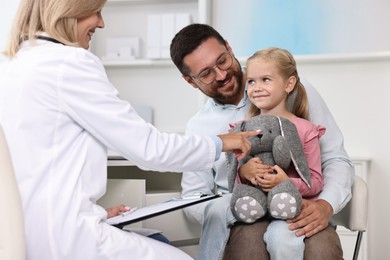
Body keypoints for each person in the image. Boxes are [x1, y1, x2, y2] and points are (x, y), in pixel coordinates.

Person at [0, 1, 259, 259]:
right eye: (96, 11)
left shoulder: (16, 64)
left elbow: (41, 172)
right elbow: (149, 149)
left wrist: (96, 213)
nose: (101, 23)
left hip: (32, 233)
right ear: (70, 10)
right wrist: (221, 143)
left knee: (155, 240)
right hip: (65, 239)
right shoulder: (69, 63)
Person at [170, 23, 354, 259]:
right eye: (206, 73)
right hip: (244, 215)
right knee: (248, 247)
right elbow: (193, 199)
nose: (222, 75)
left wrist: (325, 205)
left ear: (229, 47)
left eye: (223, 60)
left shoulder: (293, 89)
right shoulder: (198, 127)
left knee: (320, 249)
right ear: (190, 81)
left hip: (301, 206)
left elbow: (335, 158)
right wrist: (240, 203)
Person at [236, 47, 326, 259]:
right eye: (251, 81)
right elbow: (235, 184)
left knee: (283, 239)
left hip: (289, 209)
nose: (256, 87)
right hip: (255, 210)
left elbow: (316, 182)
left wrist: (286, 182)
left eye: (266, 79)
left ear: (289, 84)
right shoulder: (241, 129)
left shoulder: (304, 129)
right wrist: (244, 173)